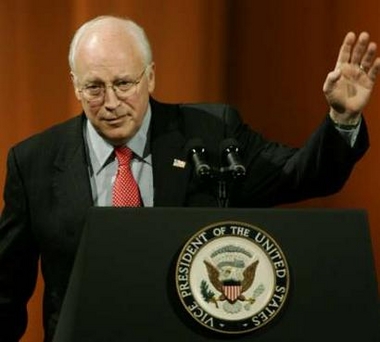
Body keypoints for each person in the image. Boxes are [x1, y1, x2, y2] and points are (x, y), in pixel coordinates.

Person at [0, 15, 379, 342]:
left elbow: (302, 175)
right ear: (74, 84)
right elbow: (6, 293)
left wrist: (342, 120)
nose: (111, 102)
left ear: (150, 77)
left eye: (124, 83)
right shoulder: (34, 162)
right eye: (94, 88)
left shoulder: (212, 134)